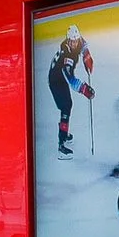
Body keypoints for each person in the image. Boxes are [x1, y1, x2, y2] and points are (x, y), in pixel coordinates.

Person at [45, 24, 94, 155]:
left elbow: (83, 44)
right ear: (68, 40)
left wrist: (87, 57)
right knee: (65, 107)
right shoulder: (67, 55)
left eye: (76, 40)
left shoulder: (78, 41)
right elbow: (70, 78)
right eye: (72, 41)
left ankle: (64, 133)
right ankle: (61, 143)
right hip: (56, 81)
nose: (74, 43)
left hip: (61, 79)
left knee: (68, 105)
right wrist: (84, 89)